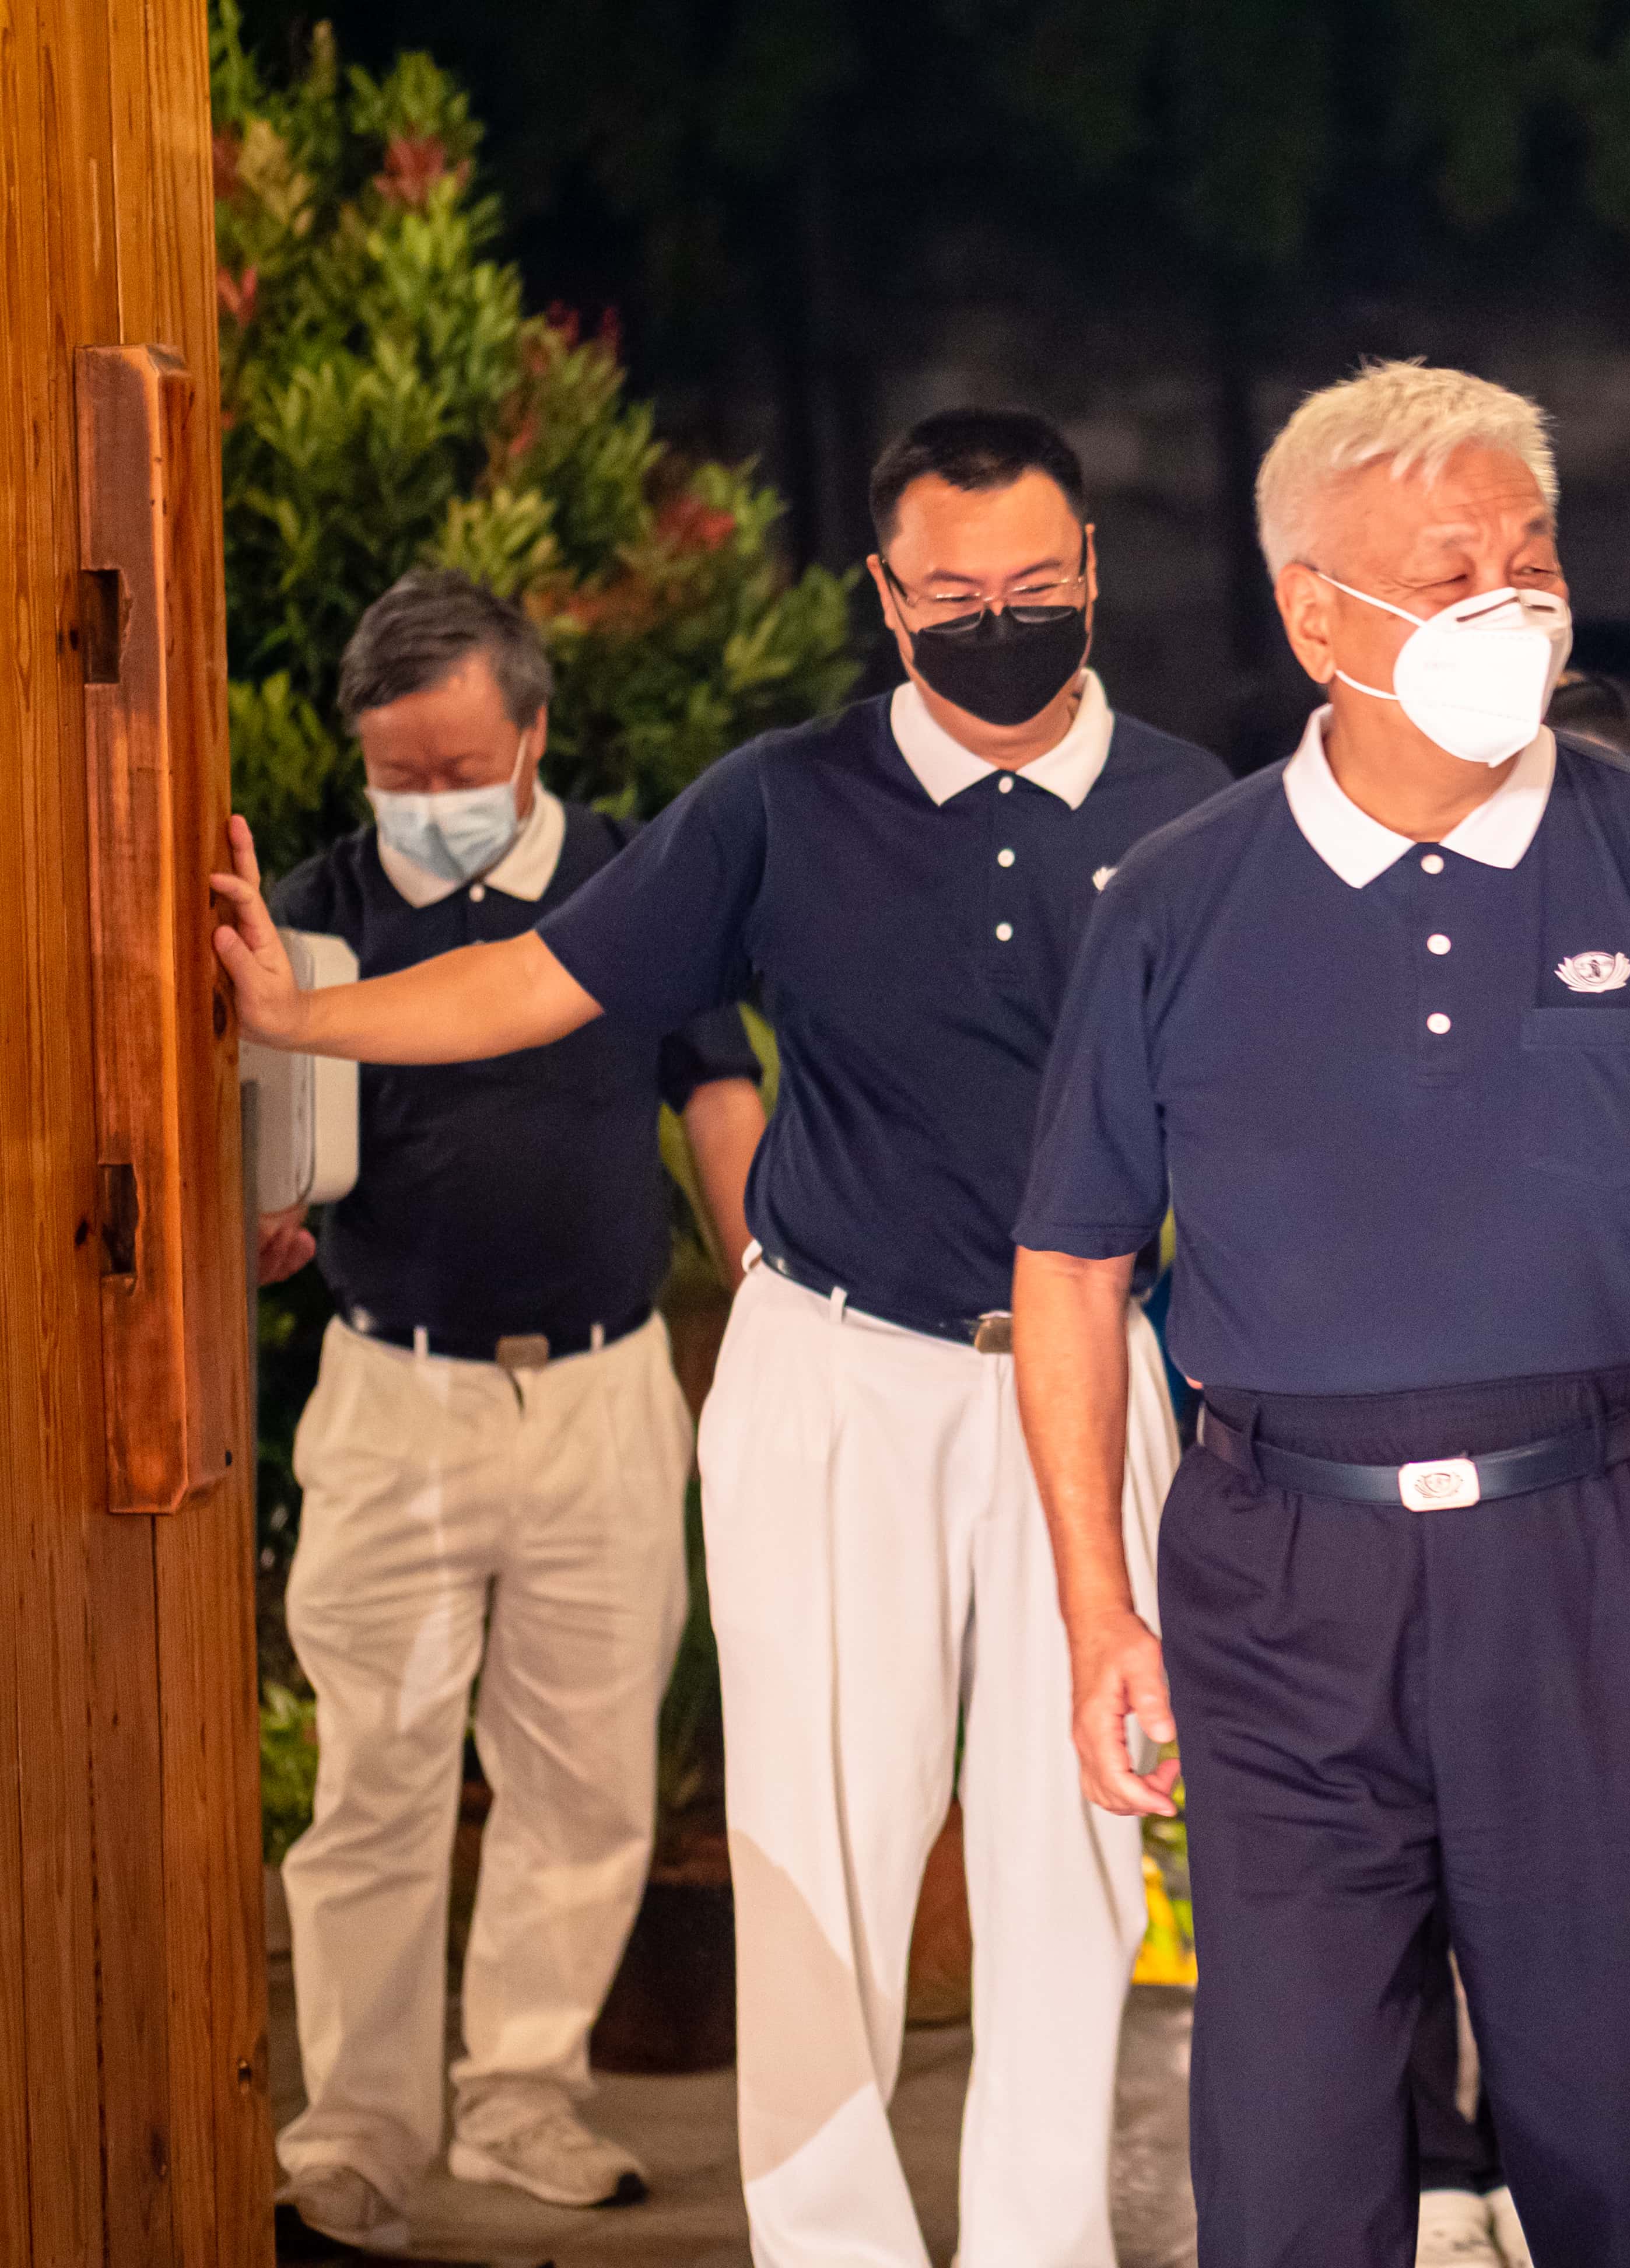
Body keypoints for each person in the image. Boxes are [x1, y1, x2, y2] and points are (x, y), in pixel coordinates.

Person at [213, 411, 1230, 2268]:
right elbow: (543, 976)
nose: (996, 623)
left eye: (1032, 587)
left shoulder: (1201, 813)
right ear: (884, 596)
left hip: (1095, 1382)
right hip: (841, 1375)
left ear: (1090, 569)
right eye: (952, 595)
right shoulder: (781, 797)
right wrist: (300, 1015)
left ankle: (1042, 2246)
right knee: (815, 1860)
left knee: (1072, 1854)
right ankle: (832, 2245)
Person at [1012, 359, 1630, 2268]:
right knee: (1291, 2156)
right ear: (1317, 613)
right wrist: (1099, 1619)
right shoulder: (1178, 898)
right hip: (1278, 1581)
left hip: (1616, 1561)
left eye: (1532, 556)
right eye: (1447, 568)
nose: (1509, 601)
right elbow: (1070, 1266)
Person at [258, 571, 765, 2255]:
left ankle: (525, 2099)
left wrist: (759, 1285)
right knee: (378, 1783)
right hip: (398, 1398)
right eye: (395, 774)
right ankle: (358, 2136)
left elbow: (717, 1084)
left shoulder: (633, 881)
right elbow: (257, 1141)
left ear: (534, 735)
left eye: (458, 764)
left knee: (585, 1775)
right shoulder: (319, 920)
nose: (427, 802)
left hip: (609, 1389)